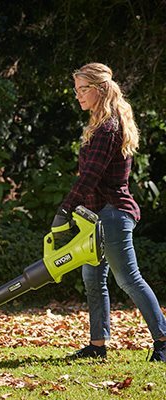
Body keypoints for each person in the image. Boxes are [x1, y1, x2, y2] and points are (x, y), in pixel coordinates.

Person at [51, 62, 166, 361]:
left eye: (83, 89)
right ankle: (97, 345)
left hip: (113, 215)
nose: (77, 95)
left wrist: (64, 210)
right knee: (93, 279)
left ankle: (164, 341)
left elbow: (90, 176)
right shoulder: (102, 123)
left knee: (129, 279)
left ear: (100, 89)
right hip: (97, 219)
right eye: (76, 90)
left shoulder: (107, 128)